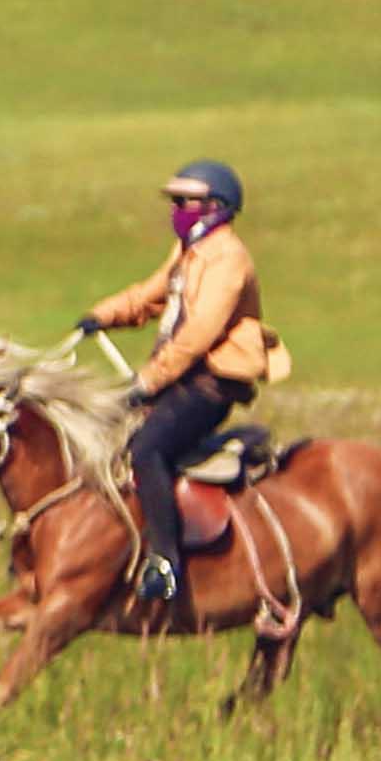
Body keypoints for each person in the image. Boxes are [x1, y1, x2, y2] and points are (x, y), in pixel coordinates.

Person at [83, 158, 285, 606]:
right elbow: (150, 294)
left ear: (215, 205)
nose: (175, 209)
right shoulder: (190, 251)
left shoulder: (229, 259)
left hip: (210, 384)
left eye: (183, 201)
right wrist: (103, 315)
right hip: (182, 378)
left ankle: (166, 562)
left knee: (148, 449)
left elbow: (198, 336)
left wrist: (147, 382)